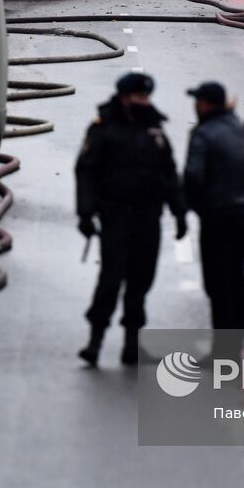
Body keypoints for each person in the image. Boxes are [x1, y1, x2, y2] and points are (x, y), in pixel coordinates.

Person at [75, 71, 187, 366]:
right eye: (139, 97)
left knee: (141, 281)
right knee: (111, 279)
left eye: (147, 97)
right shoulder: (103, 129)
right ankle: (95, 341)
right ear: (124, 98)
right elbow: (85, 171)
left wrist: (179, 211)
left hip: (148, 218)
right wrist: (85, 213)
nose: (144, 101)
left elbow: (169, 173)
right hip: (116, 216)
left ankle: (132, 344)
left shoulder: (155, 129)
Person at [183, 81, 244, 333]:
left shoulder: (203, 133)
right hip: (241, 214)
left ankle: (223, 349)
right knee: (236, 277)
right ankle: (237, 340)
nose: (195, 106)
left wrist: (192, 207)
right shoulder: (237, 127)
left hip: (216, 217)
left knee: (217, 283)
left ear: (206, 104)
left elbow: (192, 175)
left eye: (198, 101)